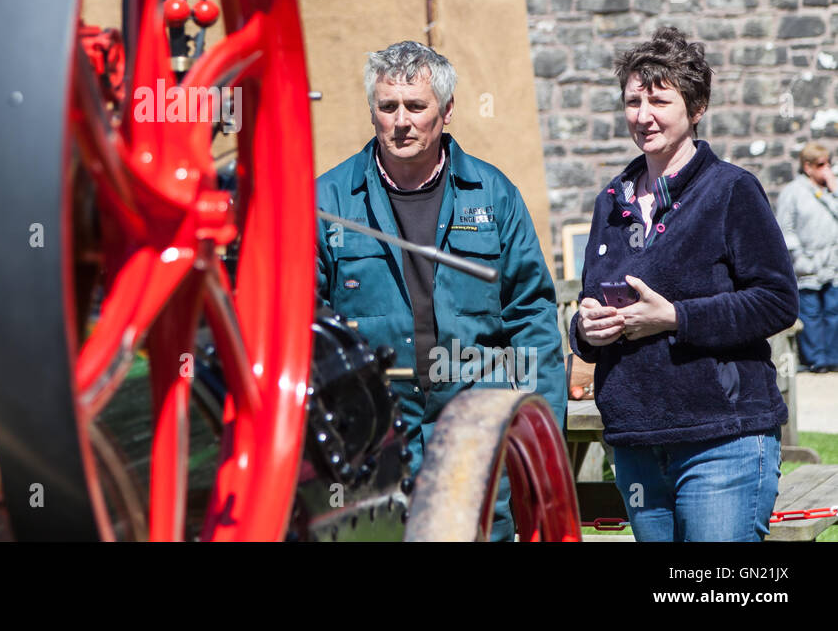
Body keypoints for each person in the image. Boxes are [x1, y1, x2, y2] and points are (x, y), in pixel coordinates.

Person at [316, 40, 566, 541]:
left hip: (475, 437)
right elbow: (304, 324)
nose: (401, 121)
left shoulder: (493, 196)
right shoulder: (329, 201)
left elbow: (532, 320)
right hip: (373, 441)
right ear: (372, 113)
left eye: (416, 106)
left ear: (446, 111)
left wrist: (540, 440)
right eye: (388, 107)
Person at [570, 27, 797, 542]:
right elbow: (591, 301)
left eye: (659, 99)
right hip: (635, 440)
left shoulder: (731, 190)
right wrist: (585, 327)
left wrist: (675, 317)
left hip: (722, 440)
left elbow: (777, 301)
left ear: (695, 108)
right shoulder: (611, 199)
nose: (643, 114)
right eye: (633, 100)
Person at [775, 143, 838, 372]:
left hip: (833, 264)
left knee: (833, 312)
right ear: (808, 167)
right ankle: (816, 360)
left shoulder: (833, 190)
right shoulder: (793, 192)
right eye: (821, 165)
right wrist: (799, 257)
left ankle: (833, 357)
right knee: (810, 314)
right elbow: (786, 228)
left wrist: (834, 188)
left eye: (829, 164)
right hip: (807, 264)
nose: (827, 169)